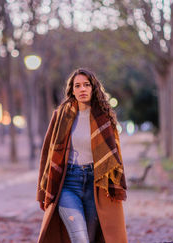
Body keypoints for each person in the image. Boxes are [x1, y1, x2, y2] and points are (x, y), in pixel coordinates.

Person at [36, 68, 127, 243]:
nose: (82, 89)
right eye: (77, 86)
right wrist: (42, 192)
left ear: (93, 88)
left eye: (86, 85)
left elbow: (116, 158)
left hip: (96, 185)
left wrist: (116, 184)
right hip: (68, 183)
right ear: (72, 90)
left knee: (92, 239)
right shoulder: (61, 116)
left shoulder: (105, 118)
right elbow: (47, 155)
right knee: (80, 239)